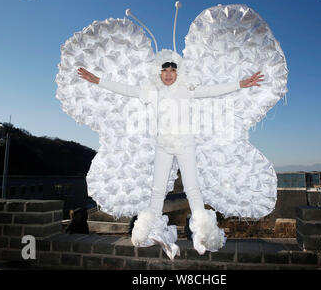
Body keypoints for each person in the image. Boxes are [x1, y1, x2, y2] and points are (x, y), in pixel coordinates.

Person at [77, 53, 263, 259]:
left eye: (172, 70)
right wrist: (98, 80)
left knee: (193, 189)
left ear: (178, 72)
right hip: (163, 145)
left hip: (185, 144)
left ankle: (204, 235)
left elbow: (211, 91)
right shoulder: (152, 91)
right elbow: (128, 90)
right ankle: (152, 231)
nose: (168, 74)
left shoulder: (186, 89)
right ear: (159, 72)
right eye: (164, 70)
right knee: (157, 190)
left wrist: (241, 84)